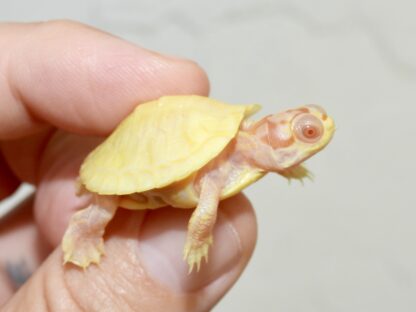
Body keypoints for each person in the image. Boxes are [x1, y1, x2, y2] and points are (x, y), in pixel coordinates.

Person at [0, 20, 257, 311]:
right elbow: (205, 209)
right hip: (130, 159)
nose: (315, 137)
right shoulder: (219, 164)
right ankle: (82, 232)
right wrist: (198, 241)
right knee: (104, 204)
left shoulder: (231, 153)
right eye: (306, 132)